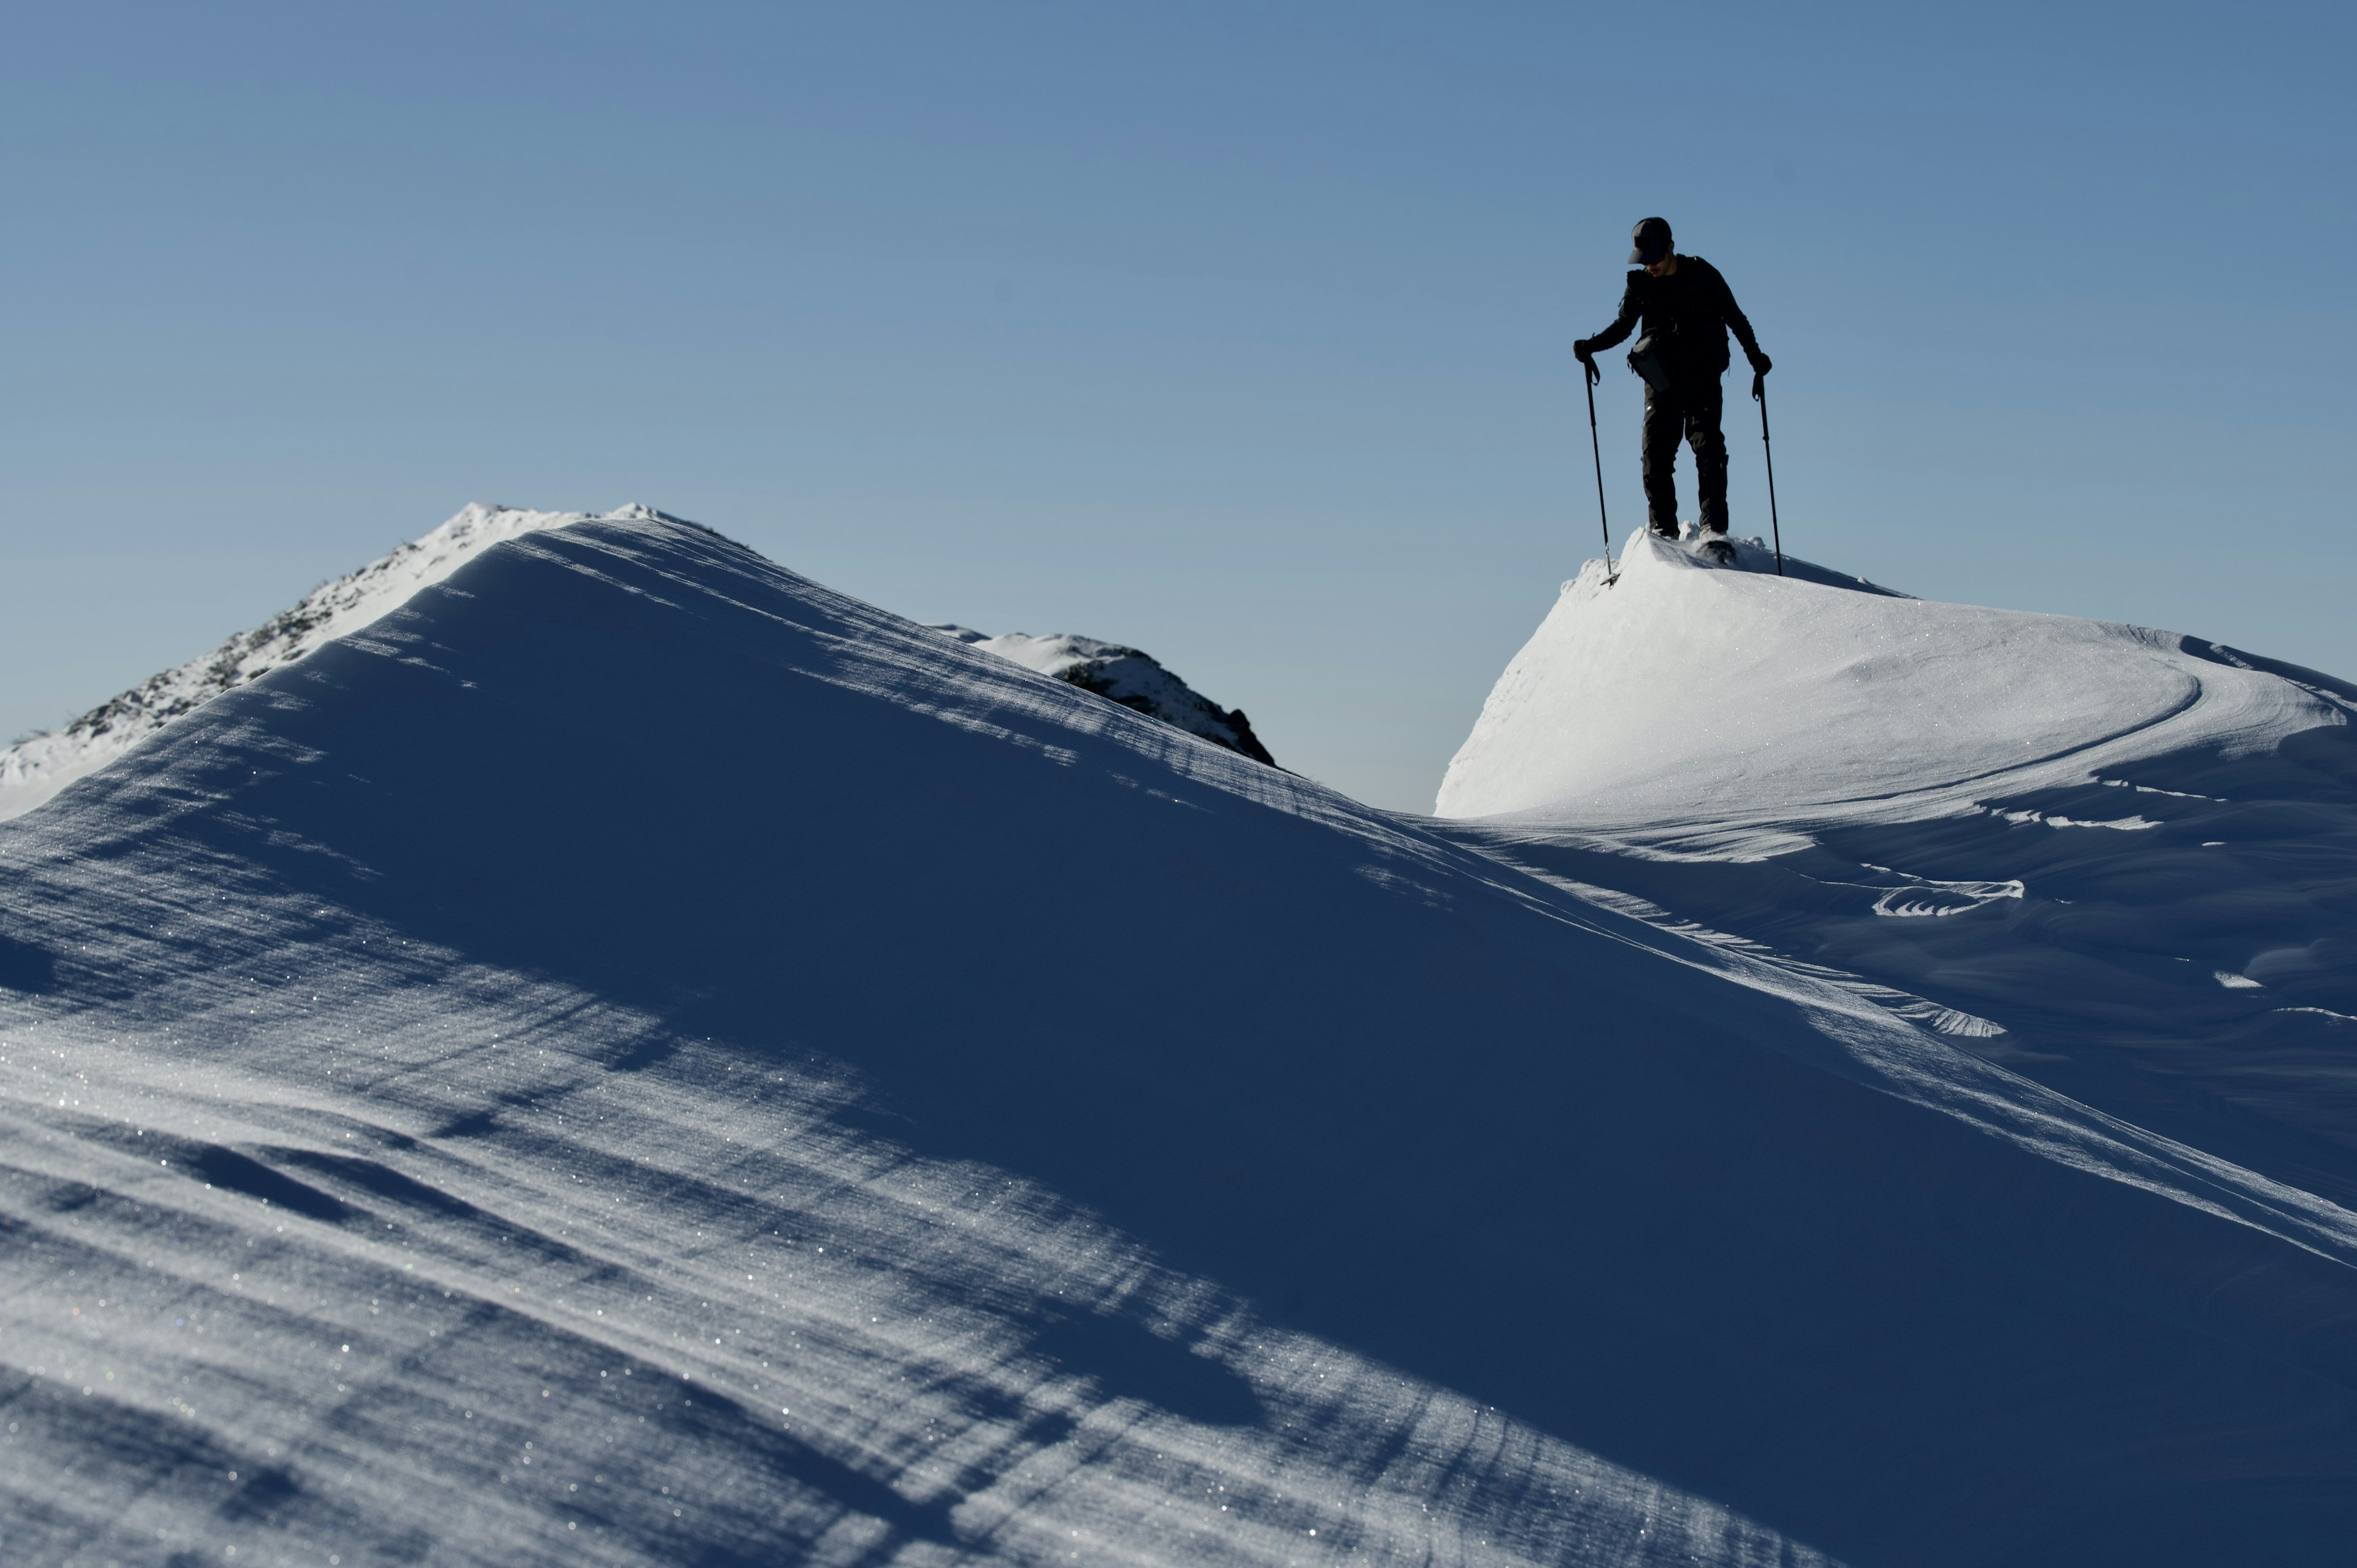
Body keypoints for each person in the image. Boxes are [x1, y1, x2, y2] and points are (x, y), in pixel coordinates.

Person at [1574, 217, 1770, 542]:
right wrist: (1590, 347)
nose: (1649, 265)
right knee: (1655, 456)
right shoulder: (1641, 285)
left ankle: (1713, 533)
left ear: (1671, 247)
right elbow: (1623, 327)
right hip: (1661, 382)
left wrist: (1756, 359)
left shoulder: (1703, 275)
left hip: (1702, 378)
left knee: (1709, 451)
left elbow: (1735, 318)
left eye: (1654, 258)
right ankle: (1664, 533)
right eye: (1644, 260)